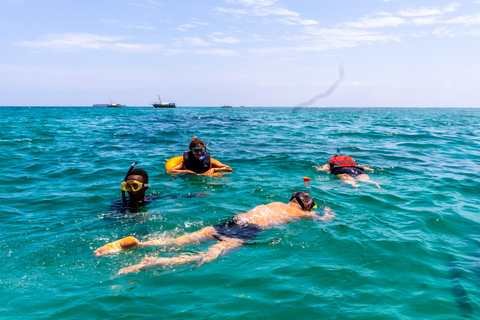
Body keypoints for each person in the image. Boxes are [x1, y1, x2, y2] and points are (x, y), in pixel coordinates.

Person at [94, 191, 335, 275]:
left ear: (291, 200)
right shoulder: (301, 214)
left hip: (233, 221)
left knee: (182, 239)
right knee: (207, 256)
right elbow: (321, 218)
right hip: (249, 230)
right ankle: (155, 262)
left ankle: (141, 244)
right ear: (305, 206)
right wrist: (328, 214)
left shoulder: (273, 204)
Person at [111, 164, 208, 213]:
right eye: (127, 186)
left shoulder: (151, 199)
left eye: (135, 186)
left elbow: (174, 196)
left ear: (145, 187)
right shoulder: (118, 204)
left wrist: (195, 195)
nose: (130, 190)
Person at [166, 138, 233, 176]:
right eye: (196, 151)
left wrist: (213, 169)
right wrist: (187, 171)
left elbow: (229, 169)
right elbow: (169, 171)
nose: (199, 153)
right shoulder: (184, 163)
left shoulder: (209, 162)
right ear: (191, 152)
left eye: (201, 150)